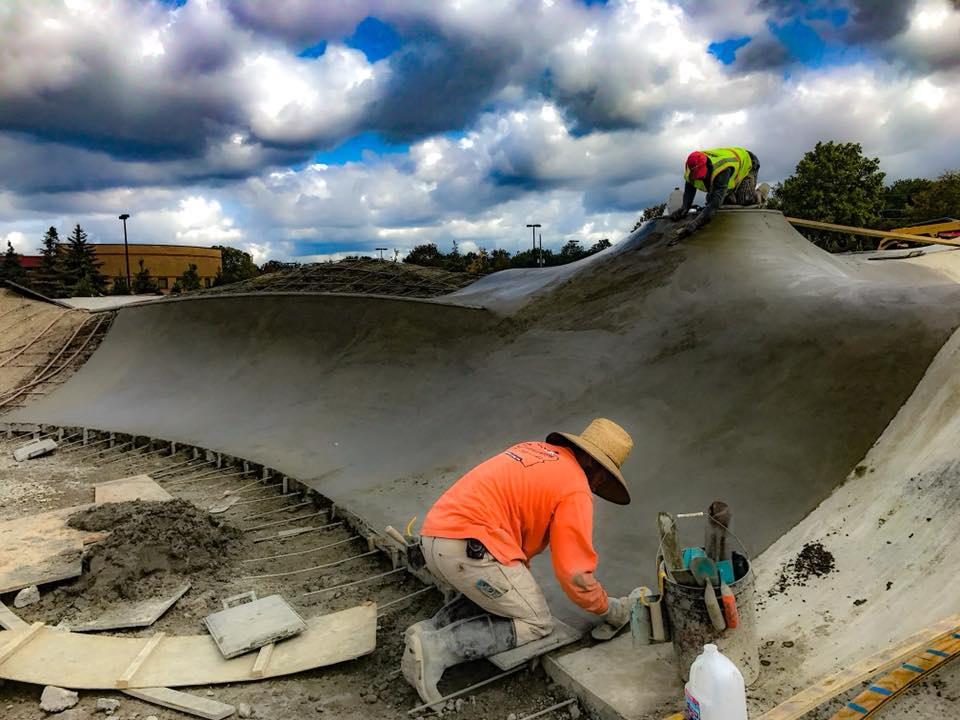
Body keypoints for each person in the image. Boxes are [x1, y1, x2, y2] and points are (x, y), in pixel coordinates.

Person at [401, 418, 634, 707]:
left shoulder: (533, 451)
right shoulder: (575, 488)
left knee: (503, 595)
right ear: (589, 461)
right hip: (470, 551)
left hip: (435, 538)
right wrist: (607, 607)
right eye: (603, 476)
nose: (599, 484)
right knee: (536, 621)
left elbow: (513, 519)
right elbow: (574, 573)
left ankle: (428, 631)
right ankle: (437, 648)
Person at [669, 147, 760, 240]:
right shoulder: (691, 166)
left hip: (748, 162)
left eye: (701, 174)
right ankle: (730, 194)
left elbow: (715, 204)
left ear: (708, 165)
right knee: (719, 199)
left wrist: (695, 224)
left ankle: (759, 194)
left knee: (744, 199)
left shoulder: (723, 168)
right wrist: (684, 207)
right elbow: (690, 188)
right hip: (729, 172)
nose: (701, 179)